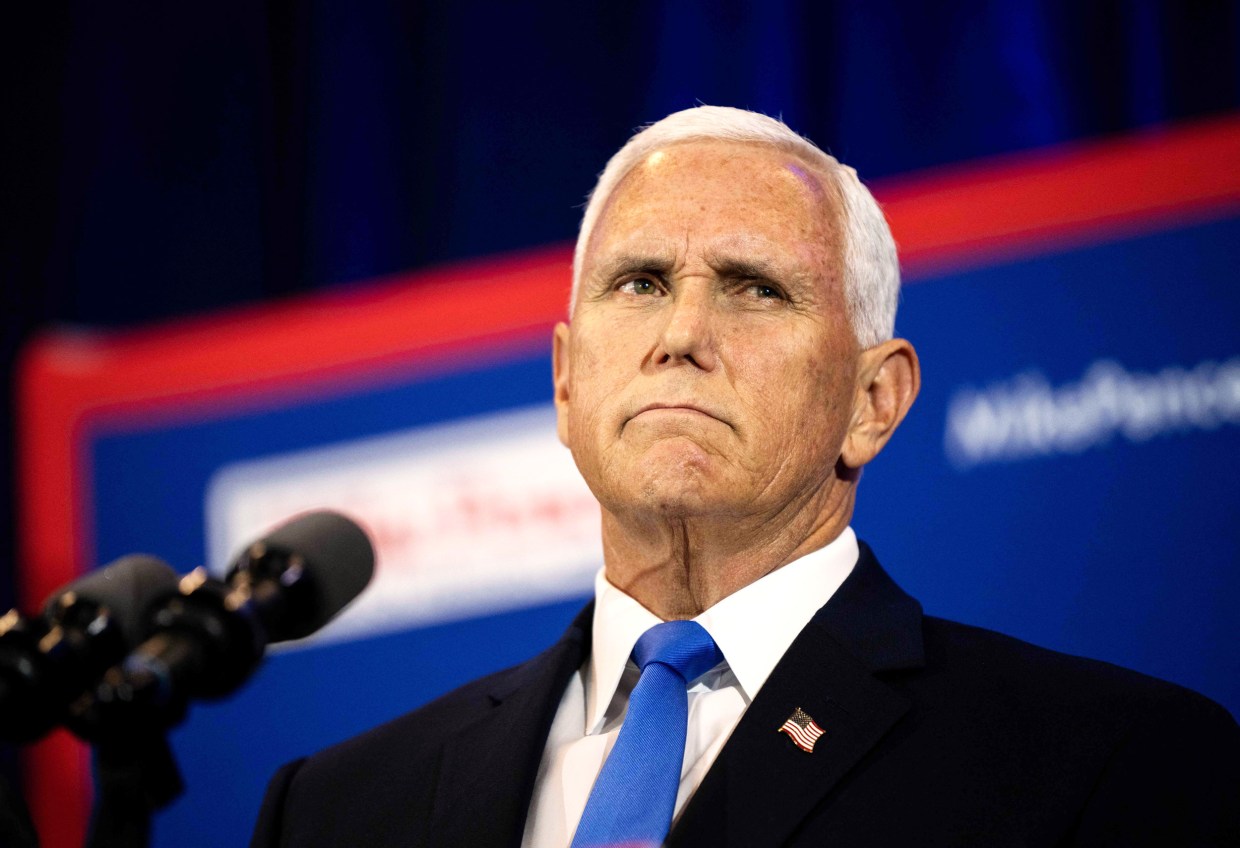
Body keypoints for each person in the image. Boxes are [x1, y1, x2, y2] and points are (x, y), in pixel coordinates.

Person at [250, 106, 1240, 847]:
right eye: (638, 282)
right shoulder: (335, 807)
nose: (681, 335)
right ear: (564, 378)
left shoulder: (1105, 761)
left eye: (753, 288)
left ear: (872, 401)